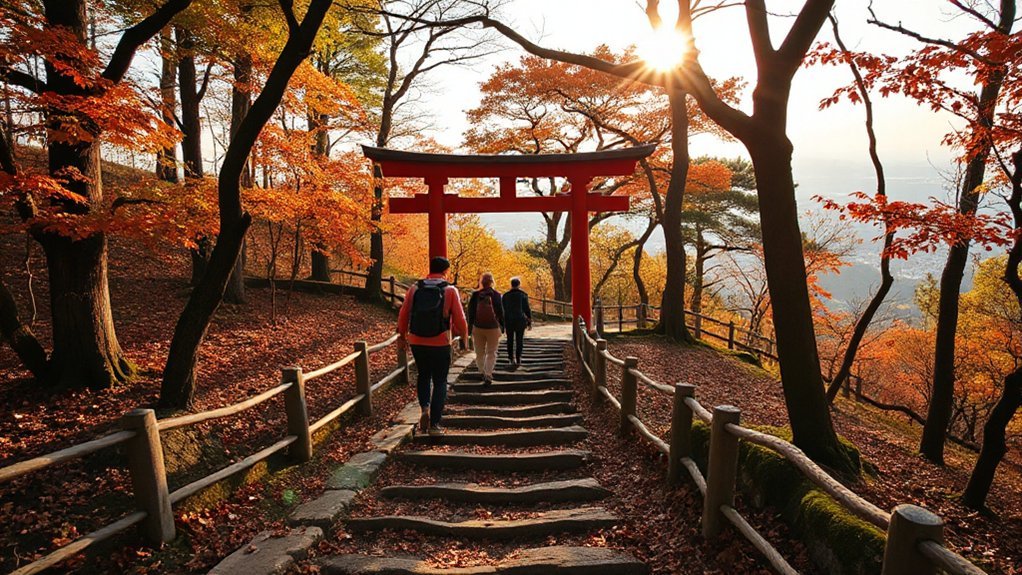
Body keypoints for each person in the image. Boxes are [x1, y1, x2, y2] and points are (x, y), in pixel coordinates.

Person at [397, 256, 468, 436]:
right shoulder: (450, 290)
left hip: (417, 340)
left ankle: (424, 409)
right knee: (440, 380)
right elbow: (460, 319)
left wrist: (402, 336)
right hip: (440, 341)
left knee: (423, 375)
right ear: (445, 271)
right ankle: (435, 424)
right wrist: (464, 338)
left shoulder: (415, 288)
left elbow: (404, 313)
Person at [467, 272, 504, 386]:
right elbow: (500, 312)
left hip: (478, 327)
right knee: (491, 352)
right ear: (492, 282)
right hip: (493, 328)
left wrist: (469, 328)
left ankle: (482, 371)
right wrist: (502, 326)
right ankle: (488, 374)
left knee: (479, 352)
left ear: (481, 282)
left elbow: (470, 312)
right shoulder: (496, 295)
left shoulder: (475, 295)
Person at [501, 277, 532, 370]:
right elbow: (527, 309)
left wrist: (502, 323)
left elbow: (503, 310)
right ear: (519, 284)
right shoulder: (523, 295)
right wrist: (529, 321)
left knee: (509, 340)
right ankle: (518, 358)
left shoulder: (505, 296)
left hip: (509, 320)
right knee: (519, 340)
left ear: (511, 285)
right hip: (520, 320)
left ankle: (511, 358)